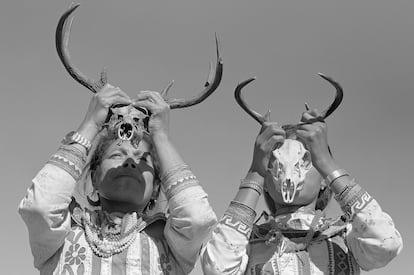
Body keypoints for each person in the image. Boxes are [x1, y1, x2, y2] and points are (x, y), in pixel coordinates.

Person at [19, 84, 217, 274]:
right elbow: (39, 208)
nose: (130, 163)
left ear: (157, 187)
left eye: (143, 160)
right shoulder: (64, 229)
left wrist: (161, 137)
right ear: (94, 177)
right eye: (116, 155)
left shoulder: (173, 242)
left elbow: (197, 218)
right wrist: (91, 124)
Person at [201, 108, 403, 274]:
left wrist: (325, 162)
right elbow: (217, 267)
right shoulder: (247, 242)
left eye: (306, 162)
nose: (290, 173)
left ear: (325, 180)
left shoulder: (347, 237)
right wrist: (255, 171)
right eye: (275, 164)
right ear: (266, 184)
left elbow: (386, 243)